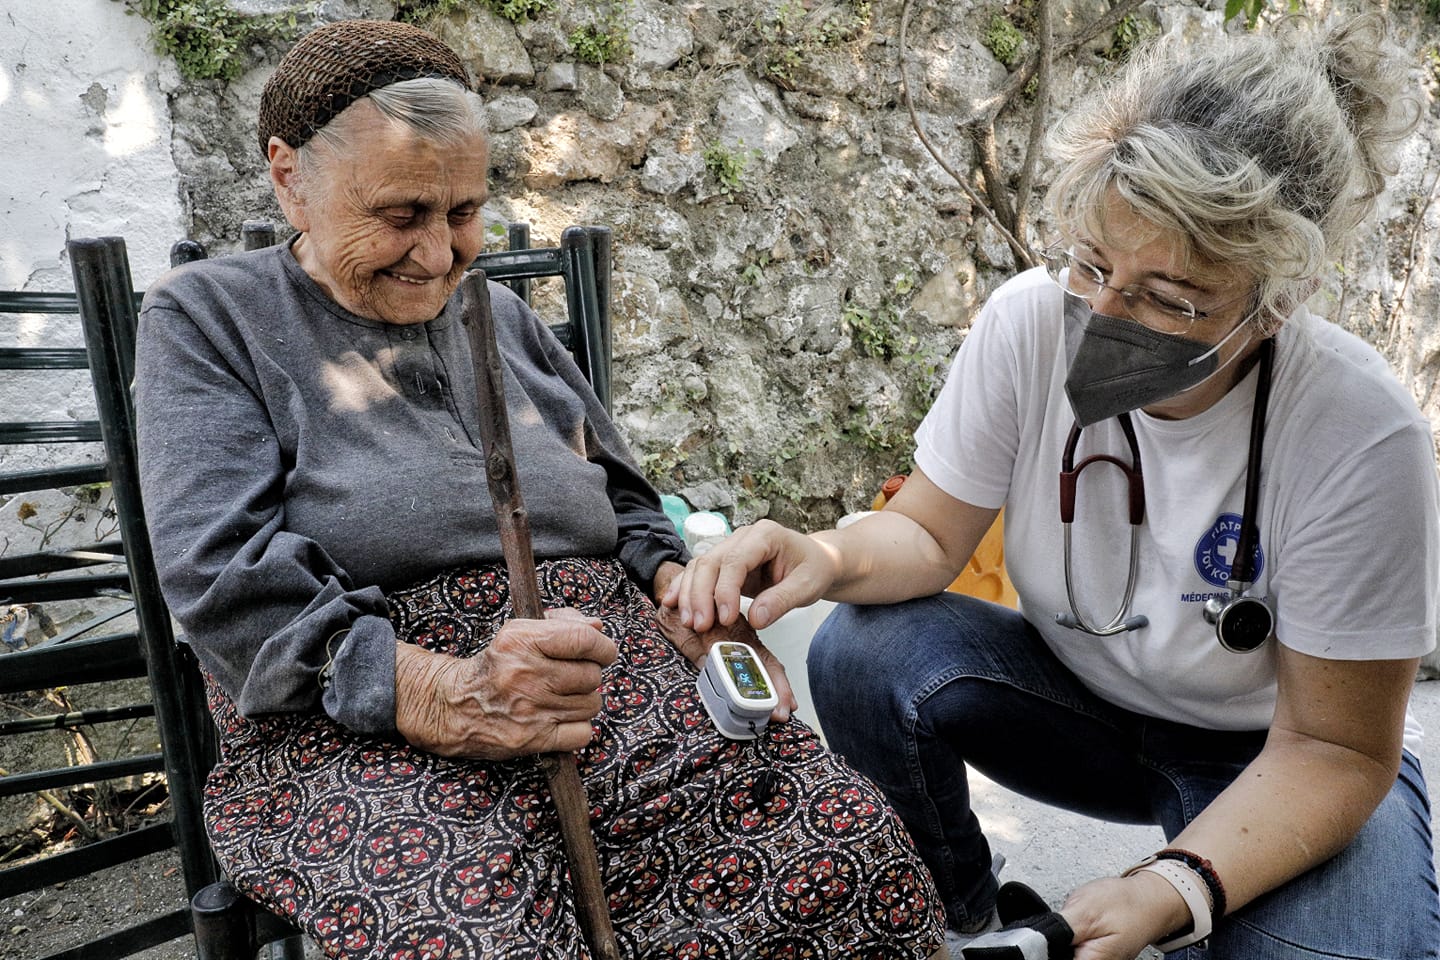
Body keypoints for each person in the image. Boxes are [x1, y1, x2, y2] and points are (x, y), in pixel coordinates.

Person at [134, 19, 946, 960]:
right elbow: (218, 574)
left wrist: (677, 590)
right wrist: (444, 690)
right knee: (478, 923)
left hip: (613, 676)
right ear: (289, 178)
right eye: (400, 215)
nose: (439, 256)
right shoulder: (208, 317)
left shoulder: (503, 316)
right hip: (360, 717)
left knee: (842, 843)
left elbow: (630, 501)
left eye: (464, 212)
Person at [667, 15, 1440, 960]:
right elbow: (927, 540)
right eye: (1092, 264)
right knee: (864, 649)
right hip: (1077, 710)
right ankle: (969, 920)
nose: (1103, 315)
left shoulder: (1361, 432)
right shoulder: (1028, 322)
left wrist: (1174, 889)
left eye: (1168, 298)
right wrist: (820, 556)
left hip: (1275, 752)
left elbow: (1336, 748)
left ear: (1275, 301)